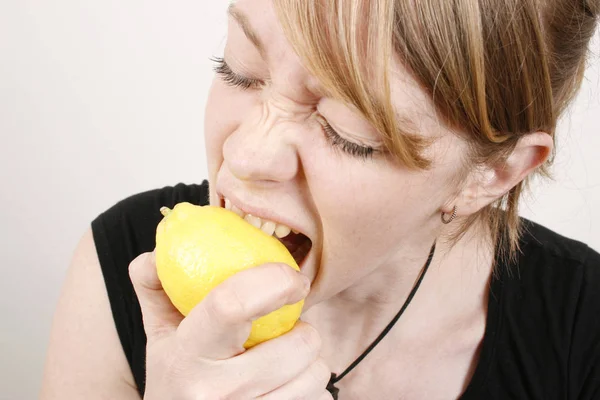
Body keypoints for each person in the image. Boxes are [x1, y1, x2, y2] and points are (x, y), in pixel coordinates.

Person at [40, 0, 600, 399]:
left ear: (493, 172)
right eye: (238, 71)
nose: (245, 156)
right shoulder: (126, 263)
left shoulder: (582, 328)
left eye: (345, 131)